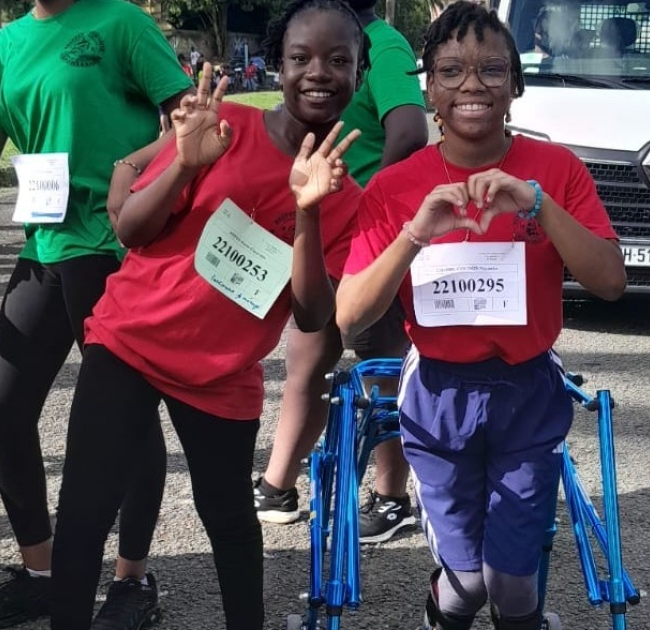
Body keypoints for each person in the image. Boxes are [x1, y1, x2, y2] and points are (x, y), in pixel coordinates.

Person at [50, 0, 367, 626]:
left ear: (359, 73)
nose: (319, 73)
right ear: (276, 65)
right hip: (131, 343)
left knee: (229, 520)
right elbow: (134, 232)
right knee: (86, 511)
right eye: (300, 57)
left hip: (222, 374)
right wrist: (184, 166)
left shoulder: (342, 194)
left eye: (339, 60)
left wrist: (307, 209)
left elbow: (310, 316)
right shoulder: (226, 130)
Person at [335, 3, 625, 628]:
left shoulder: (557, 170)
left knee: (514, 587)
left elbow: (609, 280)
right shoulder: (395, 188)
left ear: (516, 86)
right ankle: (442, 611)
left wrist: (540, 206)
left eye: (492, 70)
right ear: (429, 88)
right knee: (466, 584)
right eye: (451, 71)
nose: (472, 85)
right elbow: (351, 316)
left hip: (527, 391)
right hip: (439, 393)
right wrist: (414, 234)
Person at [0, 0, 194, 627]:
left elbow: (186, 123)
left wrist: (131, 170)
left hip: (112, 244)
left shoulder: (120, 22)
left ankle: (133, 581)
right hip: (45, 242)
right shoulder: (7, 46)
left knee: (124, 416)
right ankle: (41, 571)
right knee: (0, 407)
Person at [252, 0, 429, 545]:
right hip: (317, 217)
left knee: (378, 361)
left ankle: (392, 493)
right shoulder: (317, 36)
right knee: (308, 353)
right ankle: (278, 484)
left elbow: (409, 130)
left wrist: (366, 204)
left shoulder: (384, 43)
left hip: (361, 227)